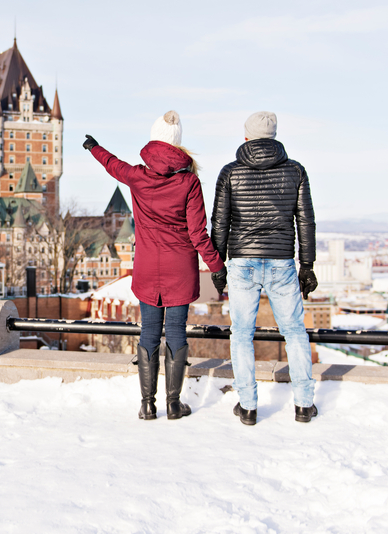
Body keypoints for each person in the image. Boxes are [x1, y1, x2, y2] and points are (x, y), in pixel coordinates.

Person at [84, 111, 224, 420]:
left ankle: (147, 405)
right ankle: (174, 404)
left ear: (153, 139)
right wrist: (217, 267)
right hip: (180, 269)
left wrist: (94, 147)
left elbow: (112, 165)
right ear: (177, 143)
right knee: (175, 332)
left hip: (147, 268)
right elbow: (199, 233)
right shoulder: (189, 181)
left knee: (148, 332)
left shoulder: (138, 176)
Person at [209, 111, 319, 426]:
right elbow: (305, 220)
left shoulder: (230, 172)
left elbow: (220, 222)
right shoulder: (295, 170)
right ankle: (303, 404)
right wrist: (307, 265)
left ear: (246, 137)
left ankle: (248, 406)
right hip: (282, 260)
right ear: (273, 137)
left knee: (242, 333)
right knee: (295, 332)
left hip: (241, 262)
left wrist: (218, 265)